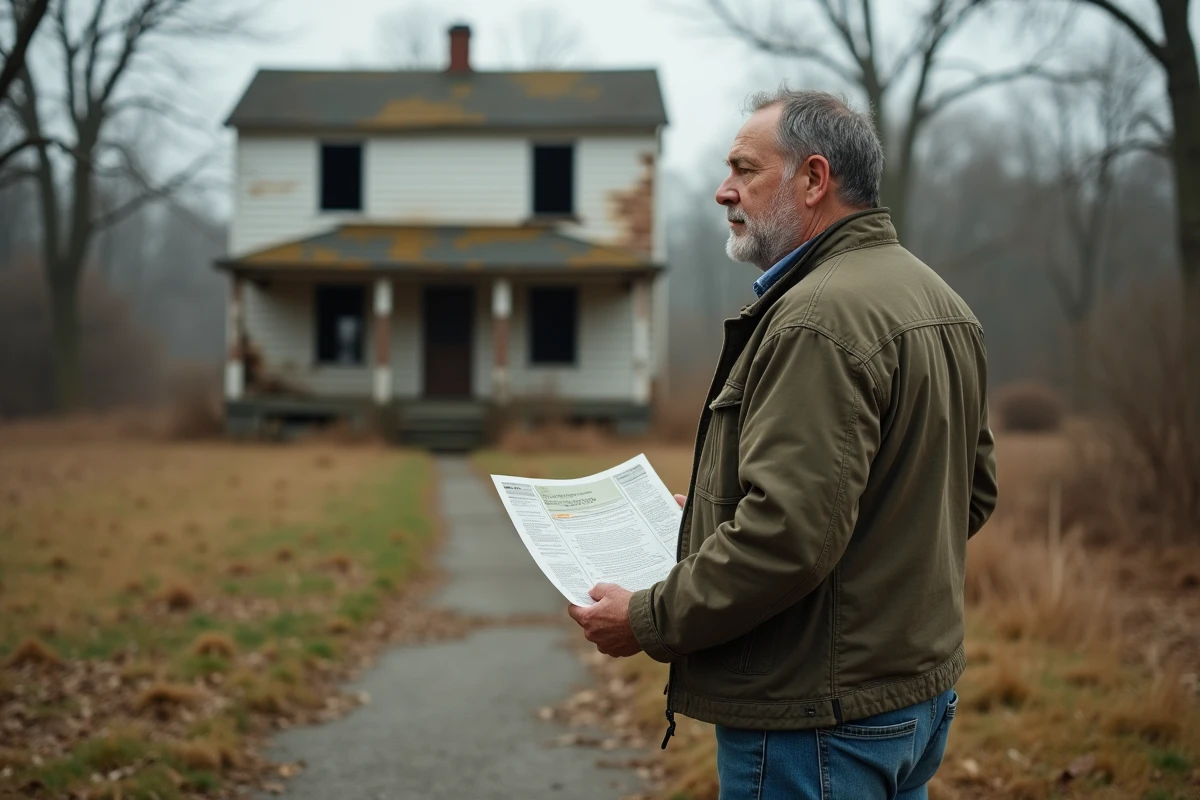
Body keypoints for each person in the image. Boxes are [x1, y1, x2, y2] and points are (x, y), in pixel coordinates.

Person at [567, 88, 998, 800]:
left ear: (814, 180)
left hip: (815, 723)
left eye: (744, 169)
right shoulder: (938, 300)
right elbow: (963, 494)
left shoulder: (815, 319)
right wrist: (709, 520)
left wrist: (646, 618)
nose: (721, 190)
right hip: (910, 703)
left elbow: (788, 536)